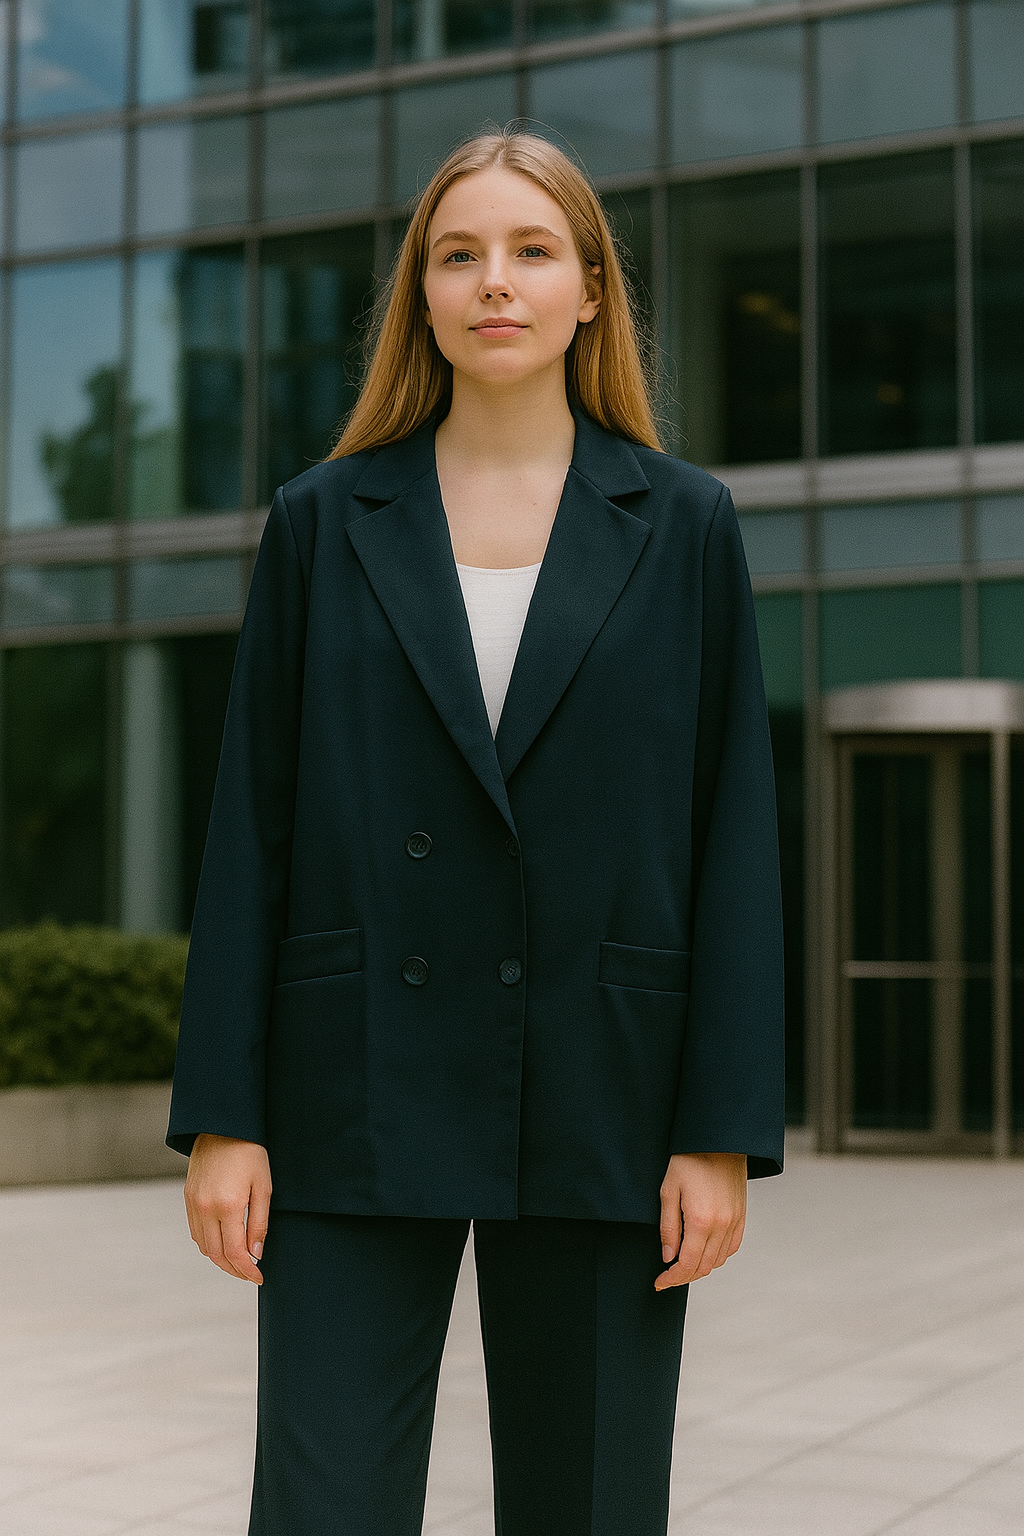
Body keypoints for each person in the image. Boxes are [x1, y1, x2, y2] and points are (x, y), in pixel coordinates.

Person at [168, 128, 784, 1536]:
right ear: (422, 296)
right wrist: (225, 1114)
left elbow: (731, 834)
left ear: (590, 292)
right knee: (321, 1507)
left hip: (606, 1094)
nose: (492, 281)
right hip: (350, 1085)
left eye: (529, 250)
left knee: (589, 1507)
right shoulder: (324, 522)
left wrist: (722, 1131)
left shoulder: (684, 525)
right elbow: (251, 825)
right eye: (458, 254)